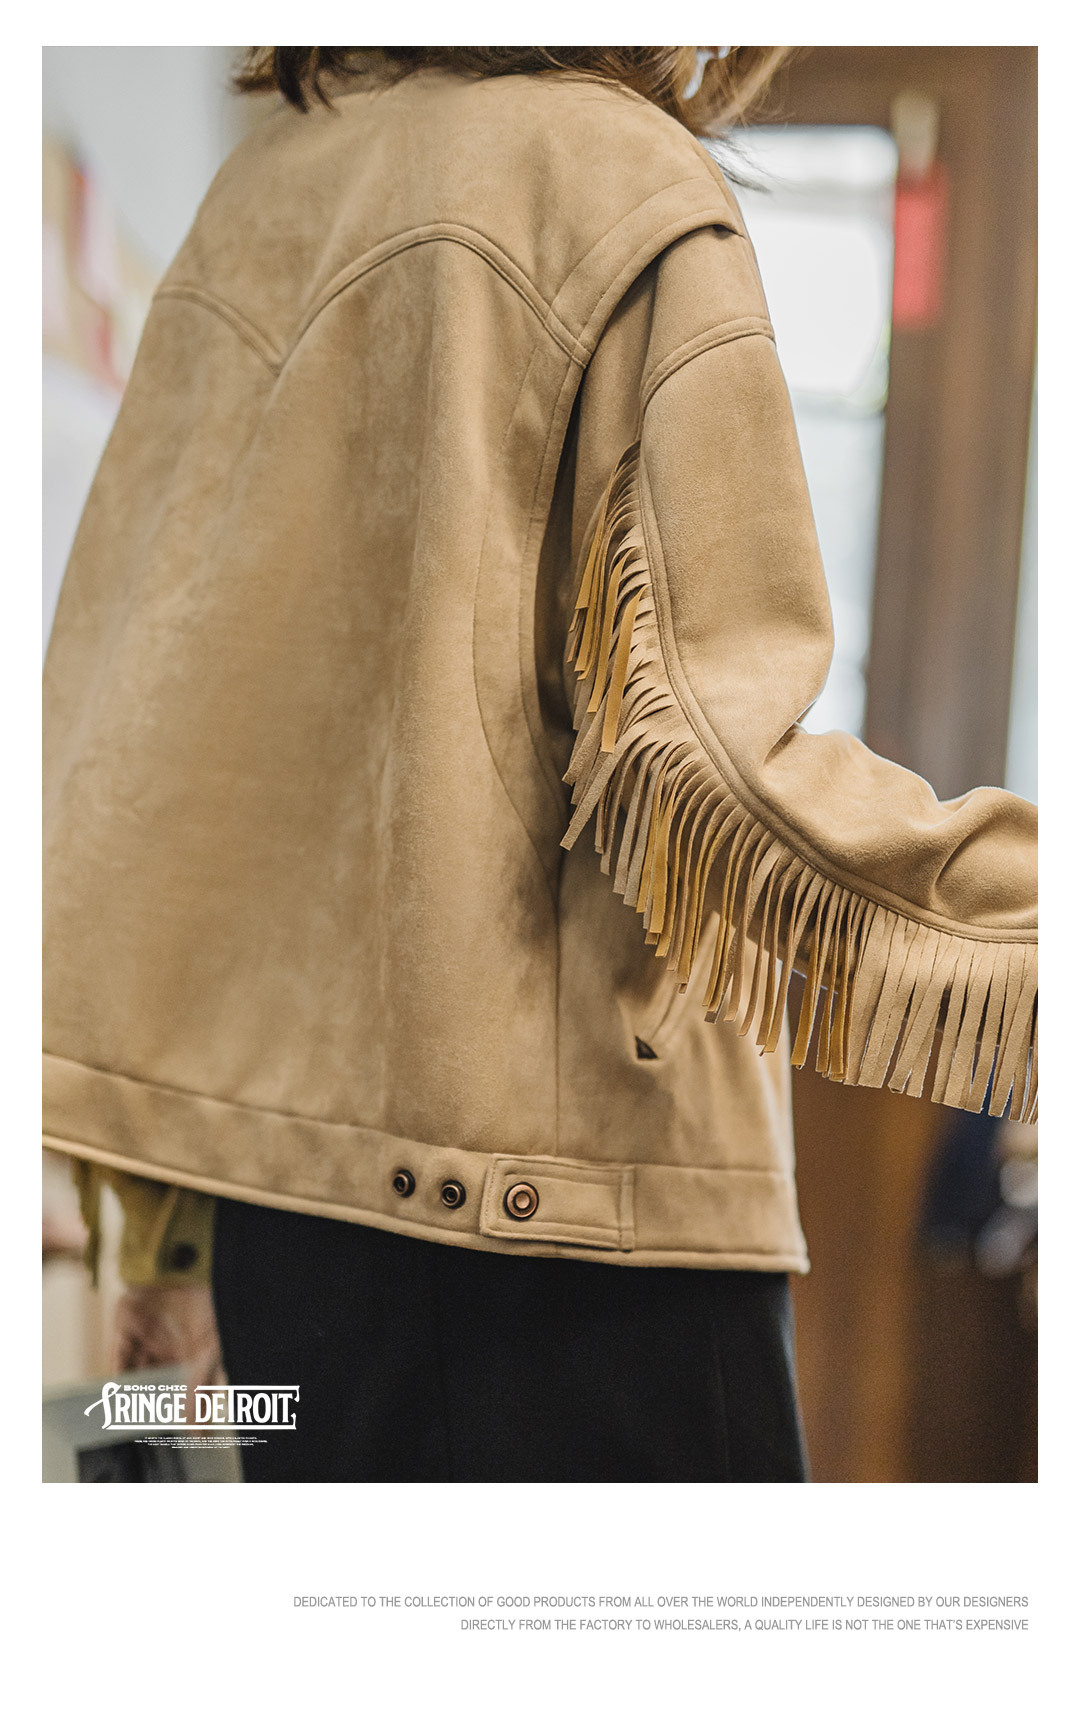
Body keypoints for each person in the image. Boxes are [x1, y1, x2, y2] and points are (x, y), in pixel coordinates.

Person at [44, 47, 1037, 1482]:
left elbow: (150, 757)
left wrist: (170, 1235)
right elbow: (721, 769)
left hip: (284, 1237)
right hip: (565, 1239)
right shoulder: (610, 176)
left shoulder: (260, 188)